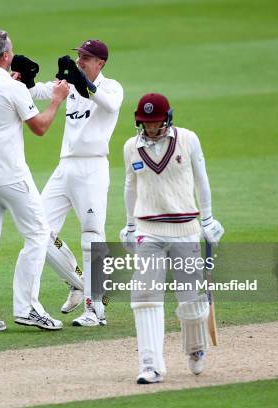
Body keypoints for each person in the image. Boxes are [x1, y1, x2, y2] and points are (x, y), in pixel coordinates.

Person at [0, 29, 70, 333]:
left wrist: (17, 87)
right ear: (7, 56)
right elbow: (39, 128)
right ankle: (27, 308)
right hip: (8, 176)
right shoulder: (12, 89)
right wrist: (57, 100)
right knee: (38, 234)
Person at [15, 39, 123, 327]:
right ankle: (78, 282)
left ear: (100, 63)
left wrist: (84, 84)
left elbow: (110, 105)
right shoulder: (71, 84)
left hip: (93, 167)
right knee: (39, 230)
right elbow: (38, 93)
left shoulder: (112, 87)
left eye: (86, 57)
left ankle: (96, 309)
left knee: (91, 236)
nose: (80, 61)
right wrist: (25, 80)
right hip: (65, 168)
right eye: (79, 56)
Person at [119, 92, 224, 383]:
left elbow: (202, 179)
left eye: (155, 123)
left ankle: (196, 348)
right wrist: (129, 225)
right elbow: (130, 186)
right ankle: (150, 365)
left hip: (185, 229)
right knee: (144, 296)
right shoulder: (131, 146)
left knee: (191, 301)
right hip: (148, 231)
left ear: (167, 119)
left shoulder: (188, 139)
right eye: (146, 123)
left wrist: (209, 218)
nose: (151, 129)